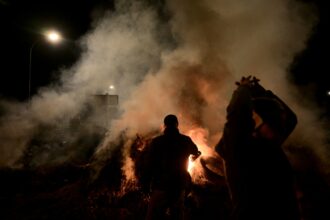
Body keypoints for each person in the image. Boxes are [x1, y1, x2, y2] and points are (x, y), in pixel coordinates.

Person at [215, 76, 301, 220]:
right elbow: (237, 114)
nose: (280, 124)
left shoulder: (269, 145)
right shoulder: (241, 150)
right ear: (257, 124)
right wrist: (243, 89)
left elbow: (291, 119)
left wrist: (258, 90)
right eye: (274, 121)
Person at [144, 114, 201, 220]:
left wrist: (146, 184)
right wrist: (194, 157)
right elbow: (196, 151)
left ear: (164, 125)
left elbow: (149, 164)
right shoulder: (185, 140)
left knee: (152, 216)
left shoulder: (157, 141)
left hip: (160, 185)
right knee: (177, 215)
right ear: (177, 125)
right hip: (178, 186)